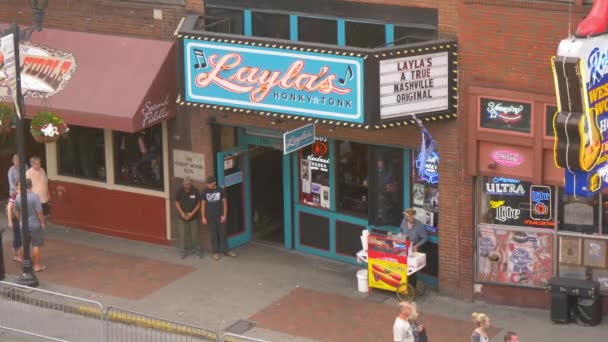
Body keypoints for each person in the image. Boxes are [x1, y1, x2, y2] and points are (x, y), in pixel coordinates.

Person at [13, 179, 46, 272]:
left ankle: (26, 263)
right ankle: (37, 266)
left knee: (25, 244)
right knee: (36, 245)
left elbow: (16, 211)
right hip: (34, 224)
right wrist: (42, 222)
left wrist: (20, 220)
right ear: (31, 186)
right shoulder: (35, 197)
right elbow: (39, 212)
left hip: (23, 224)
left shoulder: (18, 197)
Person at [201, 175, 236, 261]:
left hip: (220, 215)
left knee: (223, 233)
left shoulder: (220, 190)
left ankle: (226, 250)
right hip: (210, 216)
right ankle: (215, 252)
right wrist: (203, 217)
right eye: (207, 184)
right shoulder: (205, 191)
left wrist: (224, 215)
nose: (207, 185)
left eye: (209, 184)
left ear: (214, 183)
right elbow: (203, 204)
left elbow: (225, 203)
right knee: (213, 234)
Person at [400, 208, 428, 289]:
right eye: (408, 217)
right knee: (403, 267)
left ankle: (412, 287)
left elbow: (425, 238)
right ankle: (404, 284)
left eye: (411, 217)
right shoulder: (403, 222)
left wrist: (417, 246)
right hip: (404, 248)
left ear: (414, 216)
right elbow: (401, 231)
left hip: (414, 249)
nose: (410, 218)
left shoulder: (419, 225)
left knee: (411, 269)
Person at [175, 177, 202, 259]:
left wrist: (192, 213)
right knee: (183, 235)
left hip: (193, 217)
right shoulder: (180, 191)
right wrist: (182, 213)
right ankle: (183, 252)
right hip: (182, 216)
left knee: (195, 235)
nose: (187, 185)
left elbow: (198, 204)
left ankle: (197, 251)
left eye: (189, 183)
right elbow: (177, 202)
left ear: (191, 183)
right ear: (183, 184)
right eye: (186, 183)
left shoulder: (195, 191)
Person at [6, 180, 22, 262]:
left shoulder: (25, 194)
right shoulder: (14, 195)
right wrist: (10, 221)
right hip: (15, 219)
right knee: (17, 237)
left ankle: (20, 255)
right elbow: (9, 208)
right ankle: (17, 256)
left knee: (21, 237)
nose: (21, 186)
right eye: (19, 185)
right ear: (17, 186)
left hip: (22, 219)